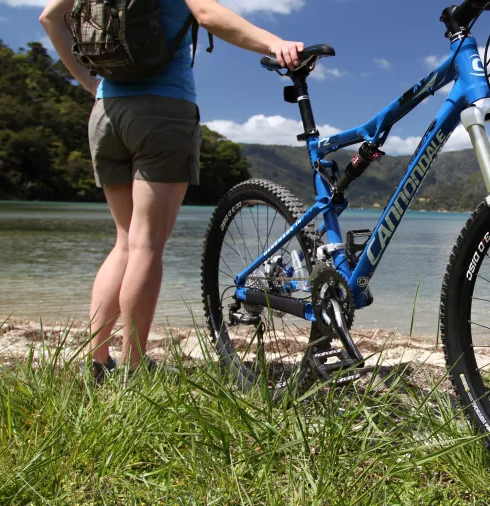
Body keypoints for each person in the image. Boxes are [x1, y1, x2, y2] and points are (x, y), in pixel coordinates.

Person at [39, 0, 304, 381]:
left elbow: (49, 18)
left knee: (125, 241)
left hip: (106, 112)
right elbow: (209, 15)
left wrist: (90, 84)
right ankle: (133, 368)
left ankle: (98, 364)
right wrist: (274, 43)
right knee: (146, 245)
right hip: (162, 109)